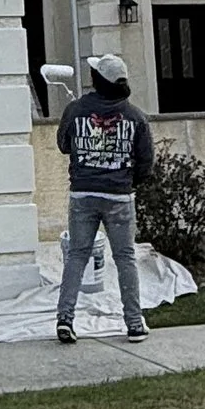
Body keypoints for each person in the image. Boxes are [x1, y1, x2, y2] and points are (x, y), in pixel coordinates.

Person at [55, 53, 156, 341]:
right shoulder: (135, 116)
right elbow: (146, 162)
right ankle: (134, 323)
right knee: (125, 258)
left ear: (98, 80)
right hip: (120, 196)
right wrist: (127, 181)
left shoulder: (75, 110)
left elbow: (63, 144)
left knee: (77, 255)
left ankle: (65, 319)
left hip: (83, 193)